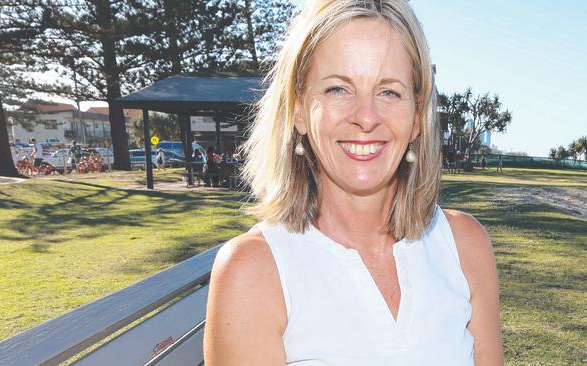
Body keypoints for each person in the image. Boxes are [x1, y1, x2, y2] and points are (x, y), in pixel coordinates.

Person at [203, 1, 503, 365]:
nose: (366, 117)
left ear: (417, 117)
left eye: (388, 91)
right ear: (298, 110)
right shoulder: (253, 271)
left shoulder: (466, 246)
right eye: (338, 89)